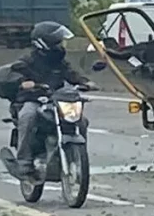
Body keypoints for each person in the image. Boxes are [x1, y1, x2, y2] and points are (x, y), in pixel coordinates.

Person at [9, 21, 98, 176]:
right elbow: (14, 73)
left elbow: (71, 74)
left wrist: (85, 82)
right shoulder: (28, 60)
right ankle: (24, 161)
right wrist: (23, 83)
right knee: (28, 116)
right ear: (45, 43)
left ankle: (76, 158)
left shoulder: (59, 61)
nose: (60, 45)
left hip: (55, 99)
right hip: (34, 99)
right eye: (56, 41)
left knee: (81, 121)